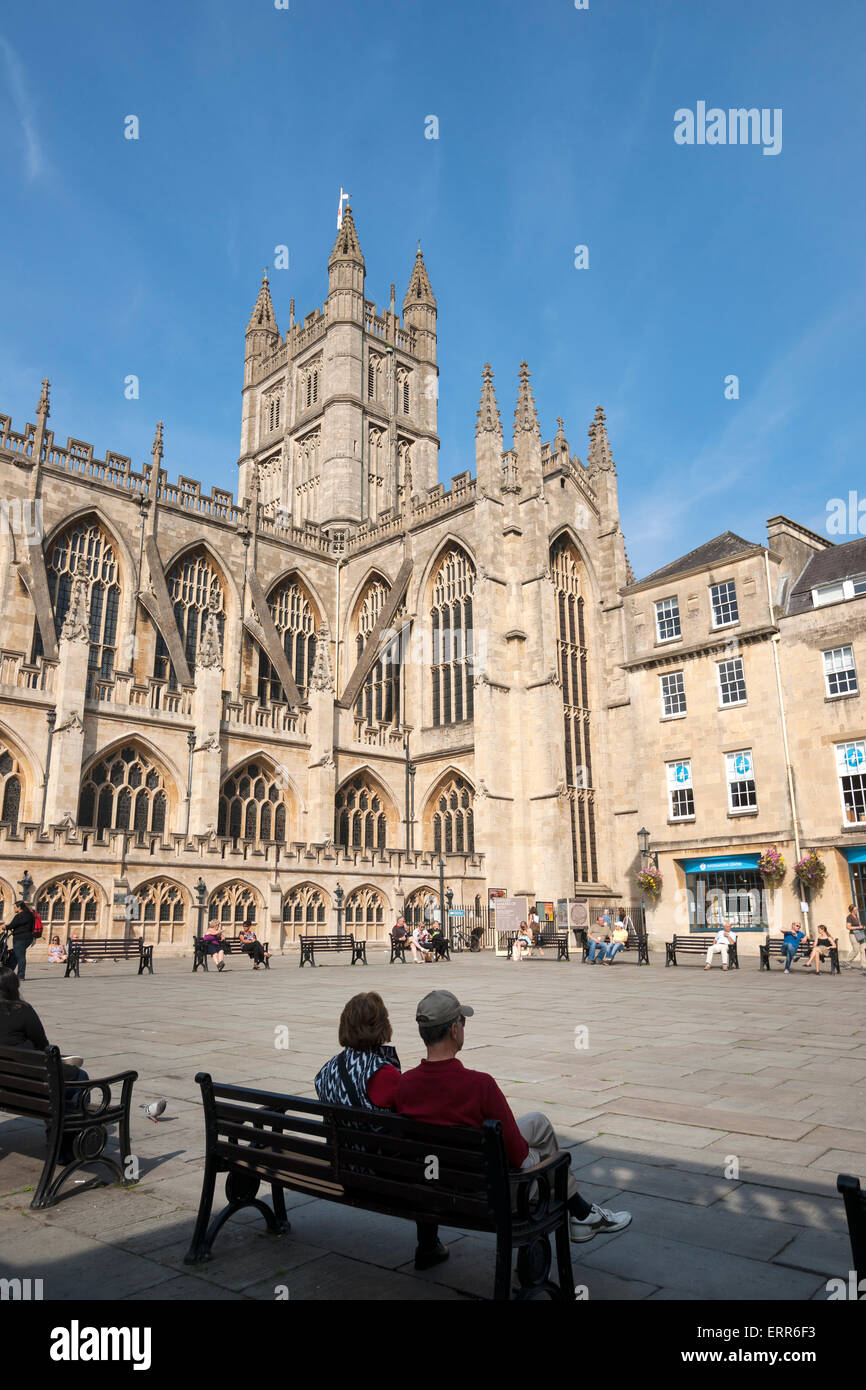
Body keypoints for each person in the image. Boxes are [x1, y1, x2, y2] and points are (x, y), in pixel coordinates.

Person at [372, 990, 632, 1254]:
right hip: (487, 1193)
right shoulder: (480, 1085)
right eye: (463, 1022)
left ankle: (582, 1214)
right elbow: (519, 1157)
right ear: (453, 1030)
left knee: (537, 1123)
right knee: (548, 1155)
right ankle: (580, 1215)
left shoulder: (404, 1084)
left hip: (433, 1184)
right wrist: (543, 1155)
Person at [314, 992, 440, 1268]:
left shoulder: (326, 1071)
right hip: (382, 1180)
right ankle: (428, 1247)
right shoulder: (384, 1075)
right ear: (383, 1025)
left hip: (345, 1170)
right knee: (431, 1159)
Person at [0, 969, 89, 1154]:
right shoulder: (22, 1010)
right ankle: (64, 1146)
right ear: (13, 987)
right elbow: (43, 1045)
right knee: (80, 1078)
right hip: (27, 1084)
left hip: (6, 1086)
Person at [7, 900, 36, 980]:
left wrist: (4, 927)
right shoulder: (30, 915)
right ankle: (7, 972)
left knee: (20, 957)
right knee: (14, 955)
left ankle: (20, 976)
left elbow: (11, 925)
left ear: (19, 907)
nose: (14, 909)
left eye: (15, 908)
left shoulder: (19, 916)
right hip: (28, 938)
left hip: (20, 938)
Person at [843, 903, 866, 971]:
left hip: (860, 934)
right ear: (852, 910)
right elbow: (848, 927)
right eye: (855, 909)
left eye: (857, 909)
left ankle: (864, 965)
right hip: (853, 935)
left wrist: (862, 927)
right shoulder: (849, 917)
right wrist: (858, 927)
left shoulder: (856, 916)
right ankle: (846, 962)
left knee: (863, 949)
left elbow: (859, 926)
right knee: (856, 950)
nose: (857, 910)